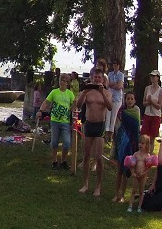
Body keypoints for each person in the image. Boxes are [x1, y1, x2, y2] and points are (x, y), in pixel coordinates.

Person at [75, 68, 112, 196]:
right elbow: (78, 106)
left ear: (102, 79)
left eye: (99, 77)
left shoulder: (106, 92)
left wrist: (102, 93)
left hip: (100, 125)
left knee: (99, 157)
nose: (97, 79)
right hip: (89, 124)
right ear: (92, 78)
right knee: (86, 156)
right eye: (95, 77)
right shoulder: (87, 91)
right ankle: (85, 184)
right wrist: (84, 92)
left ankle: (98, 186)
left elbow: (110, 107)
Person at [40, 73, 75, 170]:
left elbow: (74, 106)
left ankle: (63, 161)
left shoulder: (70, 94)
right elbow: (46, 102)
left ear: (68, 83)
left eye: (65, 81)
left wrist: (75, 119)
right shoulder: (54, 92)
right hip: (54, 121)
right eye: (61, 80)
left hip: (66, 122)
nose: (63, 82)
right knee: (54, 142)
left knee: (67, 143)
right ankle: (54, 161)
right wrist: (40, 111)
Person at [111, 92, 141, 204]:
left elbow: (136, 128)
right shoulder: (121, 111)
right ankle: (116, 194)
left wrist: (134, 143)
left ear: (134, 101)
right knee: (119, 170)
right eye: (127, 98)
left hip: (131, 144)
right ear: (125, 100)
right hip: (121, 142)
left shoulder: (136, 111)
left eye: (131, 99)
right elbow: (117, 126)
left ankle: (122, 195)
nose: (129, 101)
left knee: (125, 171)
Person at [123, 135, 157, 213]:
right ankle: (130, 206)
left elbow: (149, 167)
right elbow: (131, 165)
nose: (140, 145)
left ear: (147, 145)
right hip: (136, 175)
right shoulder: (136, 154)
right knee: (134, 190)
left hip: (143, 176)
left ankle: (139, 207)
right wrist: (133, 173)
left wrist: (144, 173)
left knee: (141, 191)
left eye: (143, 143)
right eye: (140, 143)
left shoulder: (147, 156)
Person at [141, 69, 162, 154]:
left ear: (158, 78)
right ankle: (143, 153)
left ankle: (150, 155)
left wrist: (152, 102)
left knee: (152, 138)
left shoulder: (161, 91)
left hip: (156, 116)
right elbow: (144, 103)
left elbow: (159, 106)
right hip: (147, 114)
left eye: (154, 76)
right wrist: (148, 102)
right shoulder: (147, 88)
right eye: (151, 76)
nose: (152, 78)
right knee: (144, 136)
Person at [106, 58, 125, 142]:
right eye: (114, 64)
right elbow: (107, 84)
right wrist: (115, 84)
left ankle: (111, 134)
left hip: (117, 99)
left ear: (119, 65)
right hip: (110, 97)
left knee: (113, 117)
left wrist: (112, 84)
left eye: (116, 64)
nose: (115, 66)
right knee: (108, 116)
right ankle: (106, 133)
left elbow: (119, 86)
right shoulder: (110, 74)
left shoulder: (121, 75)